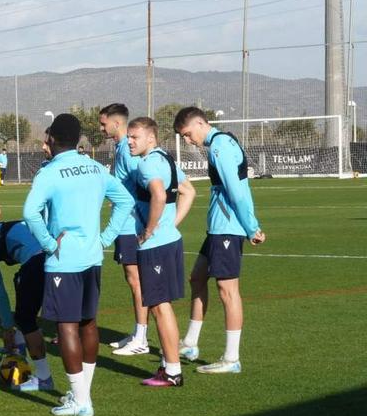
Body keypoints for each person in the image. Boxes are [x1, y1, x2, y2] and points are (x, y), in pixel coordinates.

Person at [22, 114, 133, 416]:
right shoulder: (95, 167)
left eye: (47, 138)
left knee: (66, 325)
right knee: (88, 323)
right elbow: (125, 201)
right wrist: (106, 238)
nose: (45, 143)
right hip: (91, 257)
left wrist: (47, 243)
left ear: (54, 140)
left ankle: (82, 400)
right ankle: (82, 393)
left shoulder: (50, 172)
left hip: (64, 260)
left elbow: (30, 213)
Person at [174, 106, 265, 373]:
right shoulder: (218, 144)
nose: (188, 141)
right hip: (218, 228)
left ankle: (231, 358)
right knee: (197, 277)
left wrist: (251, 228)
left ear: (201, 123)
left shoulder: (219, 146)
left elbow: (236, 192)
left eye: (188, 134)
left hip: (229, 228)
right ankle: (190, 342)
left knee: (228, 291)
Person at [125, 117, 196, 388]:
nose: (130, 141)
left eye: (135, 137)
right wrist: (169, 224)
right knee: (162, 305)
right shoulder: (165, 157)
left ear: (150, 138)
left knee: (159, 307)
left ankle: (173, 372)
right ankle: (169, 365)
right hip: (170, 241)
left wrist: (150, 230)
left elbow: (157, 195)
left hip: (155, 246)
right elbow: (188, 192)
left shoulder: (147, 164)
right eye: (129, 137)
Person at [0, 220, 55, 392]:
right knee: (21, 291)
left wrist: (7, 327)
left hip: (37, 262)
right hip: (58, 259)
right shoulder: (15, 225)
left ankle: (44, 377)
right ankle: (18, 349)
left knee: (25, 320)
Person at [99, 103, 149, 357]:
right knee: (132, 279)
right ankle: (138, 331)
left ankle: (141, 338)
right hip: (124, 224)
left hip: (130, 224)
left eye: (103, 123)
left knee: (136, 279)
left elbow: (145, 182)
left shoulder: (128, 153)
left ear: (117, 123)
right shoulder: (121, 148)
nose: (101, 127)